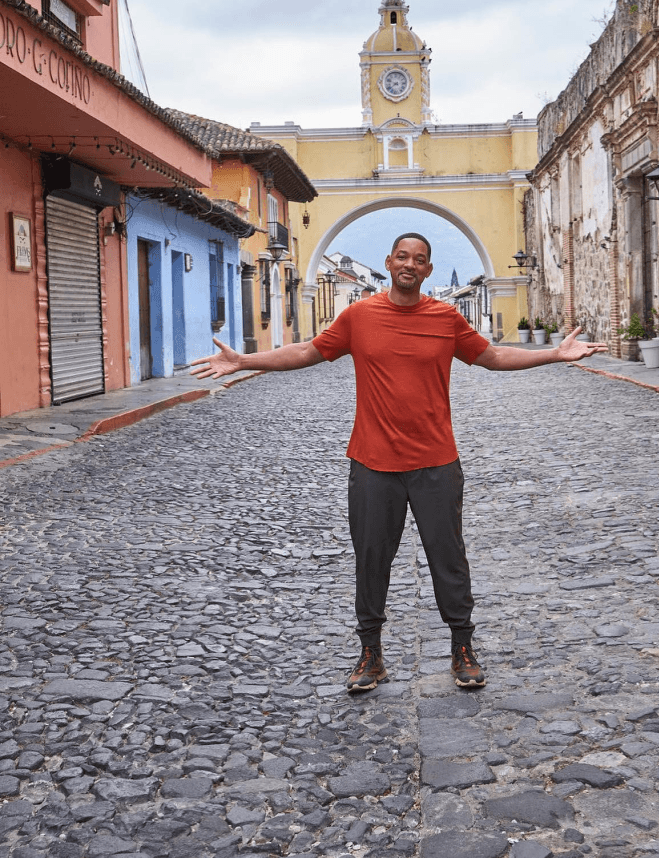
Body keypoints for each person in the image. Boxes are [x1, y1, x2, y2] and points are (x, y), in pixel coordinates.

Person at [191, 234, 606, 692]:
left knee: (448, 558)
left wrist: (554, 354)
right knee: (372, 560)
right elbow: (308, 352)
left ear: (428, 270)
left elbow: (492, 356)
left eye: (420, 260)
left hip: (436, 463)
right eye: (403, 257)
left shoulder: (445, 317)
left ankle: (462, 648)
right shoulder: (359, 316)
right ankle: (370, 654)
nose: (410, 264)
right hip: (373, 463)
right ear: (389, 262)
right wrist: (245, 360)